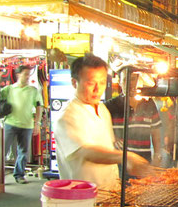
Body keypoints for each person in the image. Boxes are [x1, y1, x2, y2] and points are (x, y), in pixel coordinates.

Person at [54, 55, 150, 188]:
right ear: (74, 83)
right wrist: (125, 157)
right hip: (83, 197)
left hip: (110, 193)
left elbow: (108, 147)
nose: (97, 89)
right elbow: (84, 151)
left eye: (102, 82)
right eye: (90, 83)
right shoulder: (68, 115)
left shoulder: (102, 109)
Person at [105, 70, 162, 166]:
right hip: (120, 164)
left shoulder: (148, 103)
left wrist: (157, 154)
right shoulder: (110, 106)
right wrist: (113, 138)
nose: (129, 84)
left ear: (137, 80)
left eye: (132, 79)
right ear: (119, 81)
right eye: (125, 80)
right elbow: (100, 129)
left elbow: (156, 132)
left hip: (144, 161)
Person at [0, 65, 43, 184]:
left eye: (29, 74)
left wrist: (37, 123)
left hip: (27, 125)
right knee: (3, 151)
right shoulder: (9, 89)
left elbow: (39, 106)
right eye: (26, 74)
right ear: (18, 75)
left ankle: (19, 175)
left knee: (23, 152)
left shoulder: (33, 90)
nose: (28, 77)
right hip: (10, 123)